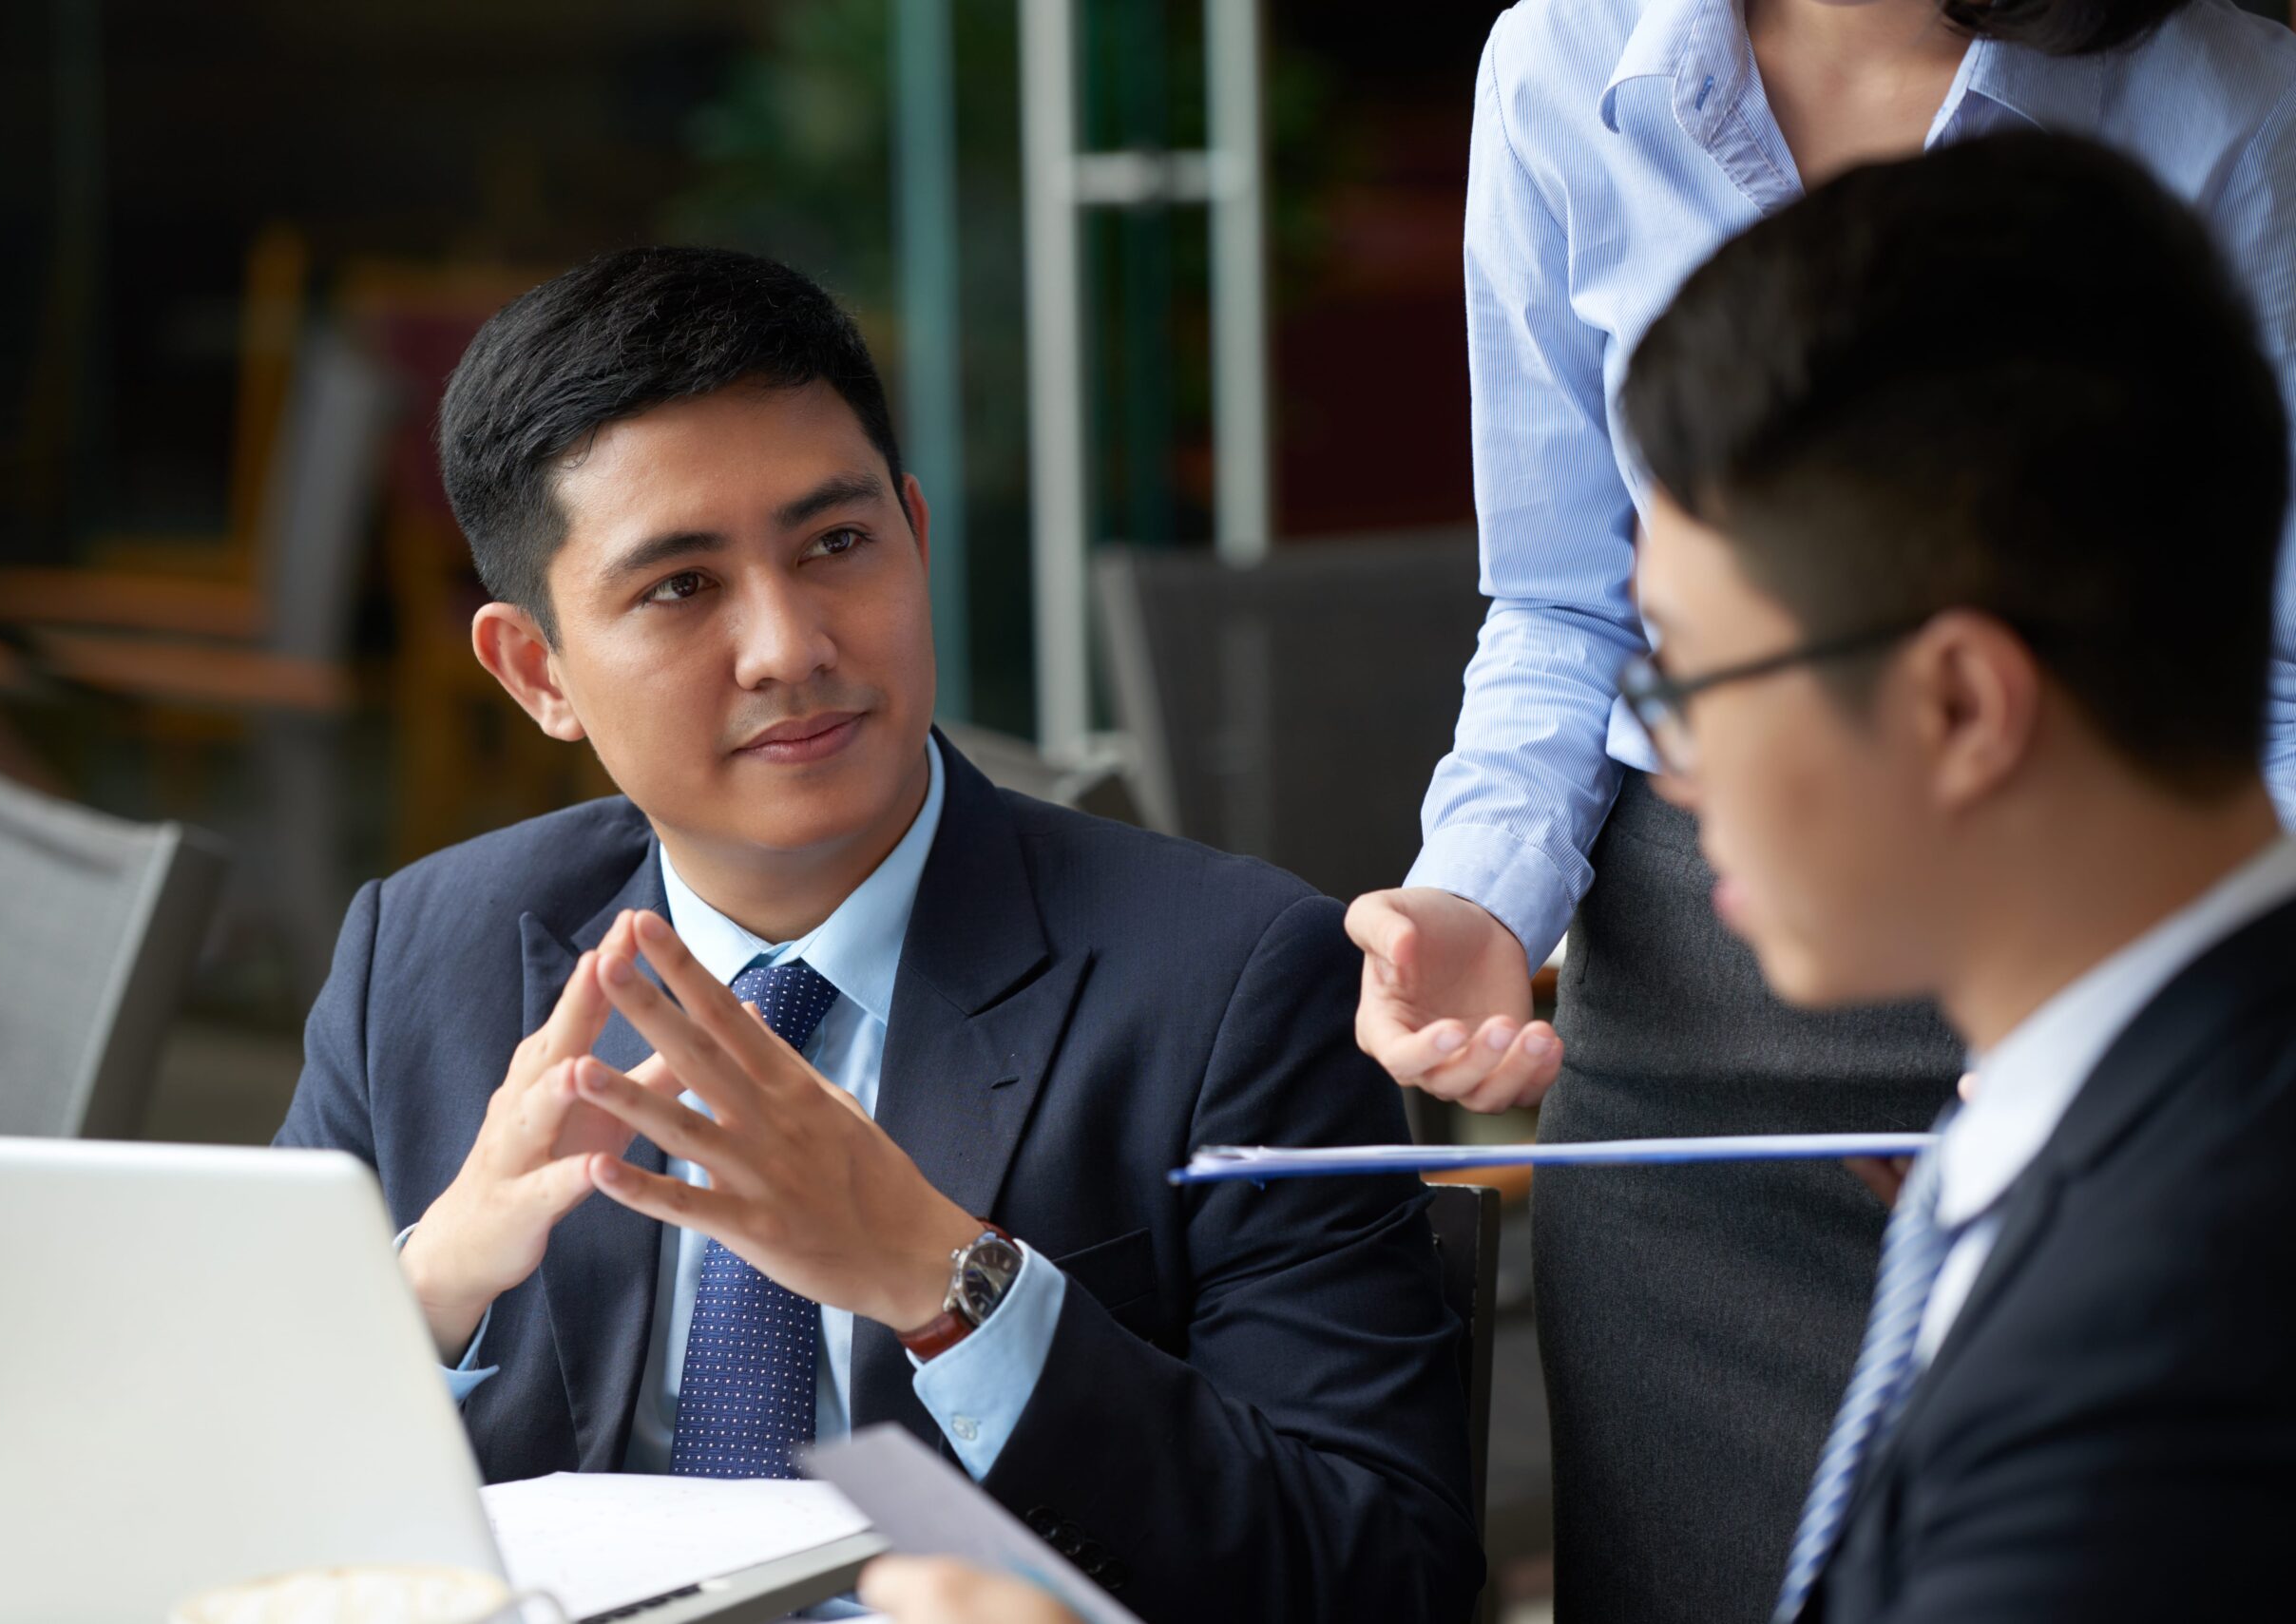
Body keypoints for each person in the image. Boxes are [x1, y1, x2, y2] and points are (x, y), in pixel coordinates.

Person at [861, 125, 2296, 1624]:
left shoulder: (2166, 1310)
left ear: (1959, 705)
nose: (1666, 771)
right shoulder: (2122, 1122)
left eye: (1693, 680)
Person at [273, 246, 1482, 1624]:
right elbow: (213, 1500)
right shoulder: (427, 953)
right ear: (537, 670)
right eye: (680, 587)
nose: (789, 644)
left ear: (912, 530)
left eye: (835, 544)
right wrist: (429, 1284)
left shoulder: (1232, 977)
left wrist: (946, 1281)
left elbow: (1385, 1576)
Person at [1347, 0, 2296, 1616]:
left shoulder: (2232, 102)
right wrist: (1490, 889)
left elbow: (2260, 663)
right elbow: (1573, 610)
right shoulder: (1566, 65)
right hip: (1715, 1021)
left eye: (1700, 679)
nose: (1679, 737)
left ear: (1958, 695)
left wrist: (2112, 1014)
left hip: (2103, 953)